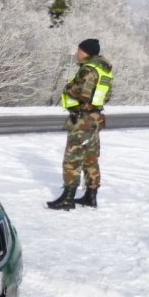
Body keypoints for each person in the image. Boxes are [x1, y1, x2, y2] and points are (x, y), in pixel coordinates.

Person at [47, 38, 113, 210]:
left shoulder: (88, 70)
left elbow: (82, 93)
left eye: (80, 50)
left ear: (87, 52)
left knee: (72, 159)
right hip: (95, 118)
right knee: (91, 158)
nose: (77, 53)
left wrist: (69, 87)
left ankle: (68, 198)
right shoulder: (104, 70)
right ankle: (91, 196)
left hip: (82, 119)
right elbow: (105, 96)